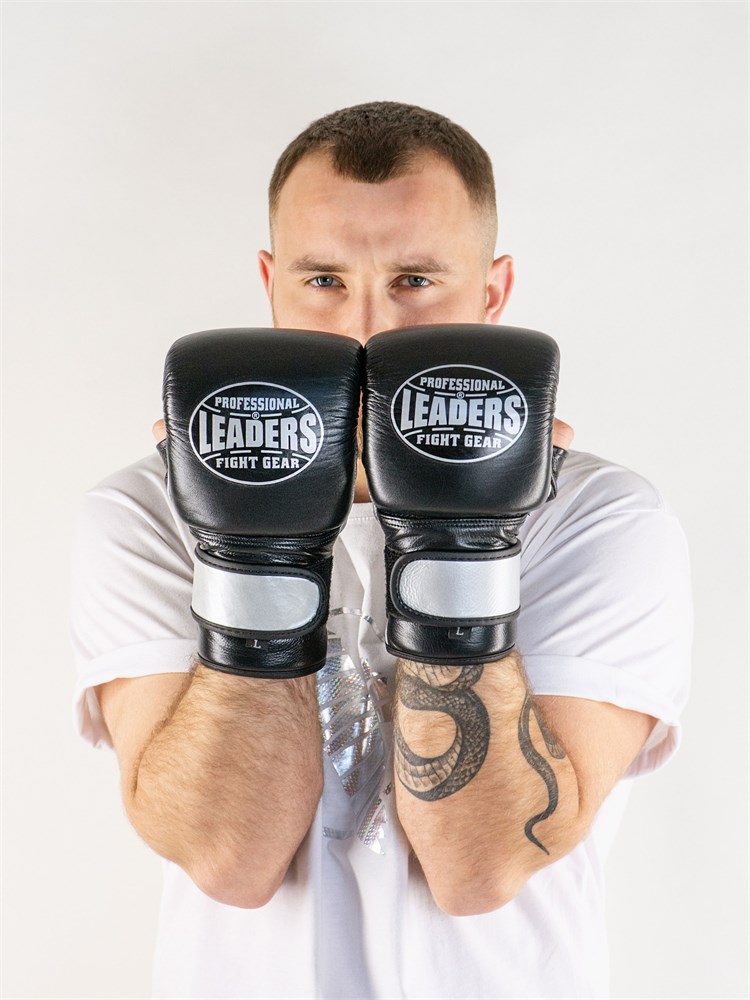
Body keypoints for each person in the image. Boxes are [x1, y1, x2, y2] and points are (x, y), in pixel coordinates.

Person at [71, 101, 692, 999]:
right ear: (270, 282)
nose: (366, 327)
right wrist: (253, 549)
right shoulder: (148, 509)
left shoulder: (603, 517)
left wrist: (461, 542)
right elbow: (228, 859)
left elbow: (480, 869)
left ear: (493, 292)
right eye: (323, 279)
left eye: (415, 280)